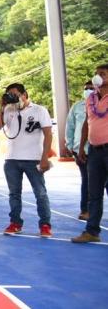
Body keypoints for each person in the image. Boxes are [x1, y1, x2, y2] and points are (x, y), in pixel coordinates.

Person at [0, 83, 53, 237]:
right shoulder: (8, 109)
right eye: (9, 95)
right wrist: (2, 107)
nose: (13, 98)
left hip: (33, 159)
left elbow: (48, 134)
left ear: (24, 94)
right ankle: (15, 222)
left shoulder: (39, 110)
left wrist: (44, 157)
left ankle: (45, 224)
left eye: (15, 94)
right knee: (14, 194)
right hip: (12, 159)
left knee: (40, 193)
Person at [72, 64, 108, 243]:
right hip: (94, 150)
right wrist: (81, 149)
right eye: (96, 74)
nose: (97, 77)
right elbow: (87, 123)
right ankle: (92, 232)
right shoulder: (91, 98)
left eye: (102, 74)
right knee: (94, 193)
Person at [66, 80, 107, 221]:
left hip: (105, 149)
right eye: (86, 88)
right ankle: (87, 213)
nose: (88, 90)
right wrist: (73, 146)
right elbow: (74, 126)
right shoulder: (80, 106)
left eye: (102, 74)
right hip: (85, 150)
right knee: (89, 184)